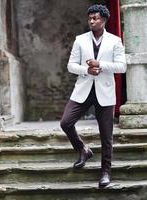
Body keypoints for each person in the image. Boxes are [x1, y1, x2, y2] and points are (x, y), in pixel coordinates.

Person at [60, 4, 126, 188]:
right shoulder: (80, 40)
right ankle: (83, 149)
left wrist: (101, 64)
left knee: (106, 135)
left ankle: (106, 172)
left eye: (95, 18)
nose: (91, 21)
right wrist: (87, 70)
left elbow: (122, 66)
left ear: (104, 20)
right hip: (83, 89)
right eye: (89, 18)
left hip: (105, 91)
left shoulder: (115, 41)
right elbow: (71, 65)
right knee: (66, 122)